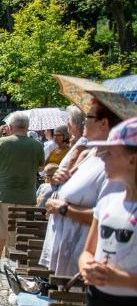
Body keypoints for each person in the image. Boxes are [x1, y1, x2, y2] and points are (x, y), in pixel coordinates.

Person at [38, 99, 128, 279]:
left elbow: (109, 216)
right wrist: (58, 182)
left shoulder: (114, 164)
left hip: (84, 257)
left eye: (88, 116)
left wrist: (63, 209)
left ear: (104, 123)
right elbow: (68, 190)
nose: (83, 121)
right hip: (66, 253)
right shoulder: (88, 154)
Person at [78, 117, 137, 306]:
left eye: (110, 153)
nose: (101, 157)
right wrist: (86, 266)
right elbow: (88, 250)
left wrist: (118, 278)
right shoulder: (108, 202)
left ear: (132, 158)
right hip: (97, 303)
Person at [0, 112, 44, 271]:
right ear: (27, 127)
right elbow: (40, 168)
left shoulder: (1, 142)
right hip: (27, 195)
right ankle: (22, 265)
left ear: (10, 127)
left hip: (4, 193)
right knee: (23, 230)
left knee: (0, 229)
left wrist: (2, 165)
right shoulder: (37, 145)